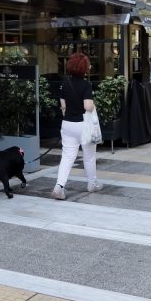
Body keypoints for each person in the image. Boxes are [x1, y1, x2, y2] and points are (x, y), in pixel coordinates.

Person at [52, 52, 103, 200]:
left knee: (67, 157)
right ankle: (92, 184)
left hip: (67, 124)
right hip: (83, 125)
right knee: (89, 156)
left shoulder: (64, 83)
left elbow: (63, 106)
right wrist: (93, 105)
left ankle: (59, 186)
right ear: (84, 68)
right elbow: (87, 106)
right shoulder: (86, 85)